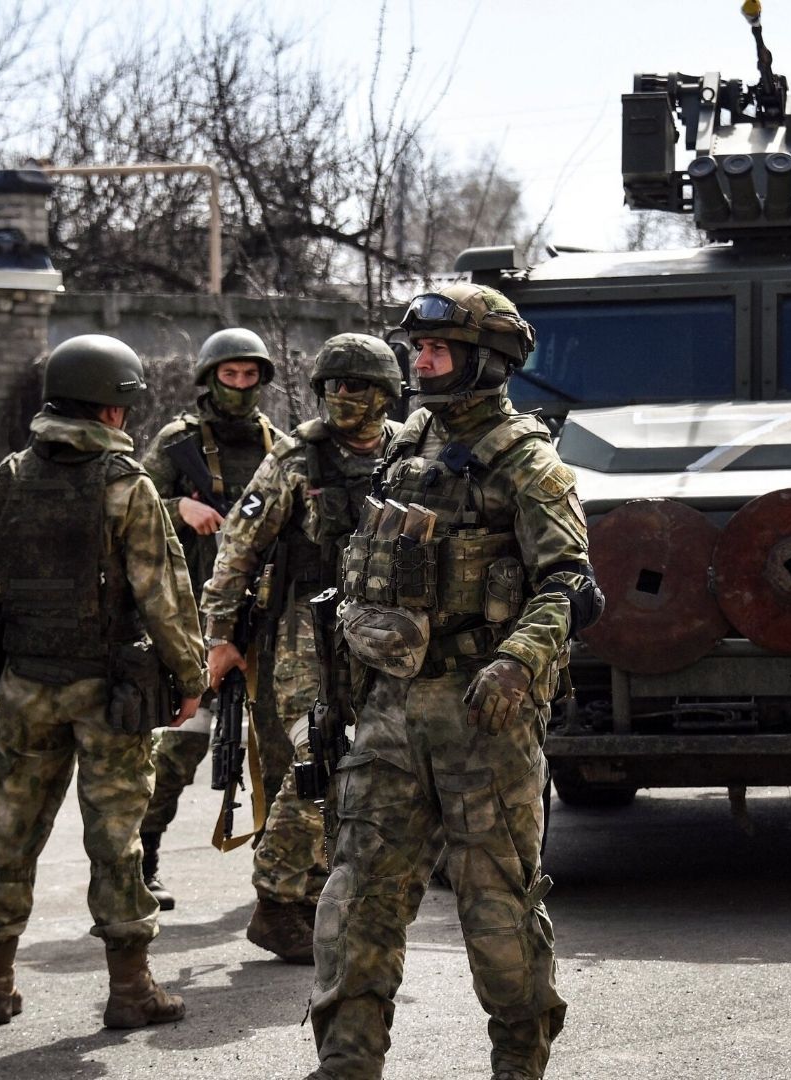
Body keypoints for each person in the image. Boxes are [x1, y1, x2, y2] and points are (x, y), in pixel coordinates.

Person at [306, 284, 601, 1080]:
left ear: (488, 361)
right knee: (354, 899)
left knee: (497, 913)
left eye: (438, 349)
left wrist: (518, 660)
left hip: (483, 719)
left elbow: (571, 584)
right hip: (390, 712)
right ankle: (346, 1065)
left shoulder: (526, 461)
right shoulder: (406, 447)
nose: (421, 360)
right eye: (417, 348)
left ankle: (518, 1063)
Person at [0, 335, 208, 1028]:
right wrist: (191, 677)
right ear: (113, 409)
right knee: (115, 841)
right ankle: (131, 990)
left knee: (7, 833)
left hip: (23, 685)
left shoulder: (11, 474)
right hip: (108, 690)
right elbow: (165, 597)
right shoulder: (126, 487)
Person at [198, 334, 403, 963]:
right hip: (304, 637)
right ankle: (276, 900)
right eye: (333, 386)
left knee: (368, 773)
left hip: (389, 635)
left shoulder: (409, 453)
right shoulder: (294, 461)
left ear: (385, 394)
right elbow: (236, 550)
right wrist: (221, 637)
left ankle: (319, 892)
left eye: (357, 386)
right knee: (315, 766)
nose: (344, 397)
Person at [139, 327, 283, 909]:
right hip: (193, 621)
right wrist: (180, 506)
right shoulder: (178, 442)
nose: (241, 386)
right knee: (178, 750)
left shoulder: (280, 445)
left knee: (276, 750)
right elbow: (132, 508)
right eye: (231, 375)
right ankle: (143, 860)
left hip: (265, 617)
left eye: (251, 376)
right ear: (210, 377)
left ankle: (278, 870)